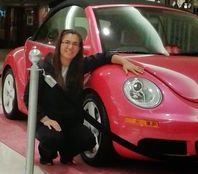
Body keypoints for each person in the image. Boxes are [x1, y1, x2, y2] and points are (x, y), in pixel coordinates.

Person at [24, 29, 143, 165]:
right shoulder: (44, 67)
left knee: (88, 140)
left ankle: (66, 154)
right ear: (59, 44)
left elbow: (104, 57)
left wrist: (124, 62)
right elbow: (28, 98)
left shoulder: (79, 66)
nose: (70, 47)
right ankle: (46, 155)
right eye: (67, 42)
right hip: (47, 120)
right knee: (53, 138)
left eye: (75, 44)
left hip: (69, 122)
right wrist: (45, 119)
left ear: (80, 48)